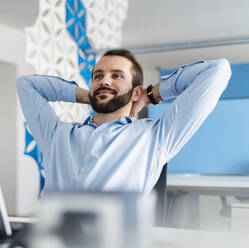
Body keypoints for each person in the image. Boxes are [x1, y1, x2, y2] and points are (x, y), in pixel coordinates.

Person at [16, 49, 231, 194]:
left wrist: (151, 94)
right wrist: (89, 94)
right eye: (98, 77)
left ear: (136, 92)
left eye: (116, 76)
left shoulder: (156, 137)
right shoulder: (56, 134)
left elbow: (217, 70)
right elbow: (26, 84)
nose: (105, 81)